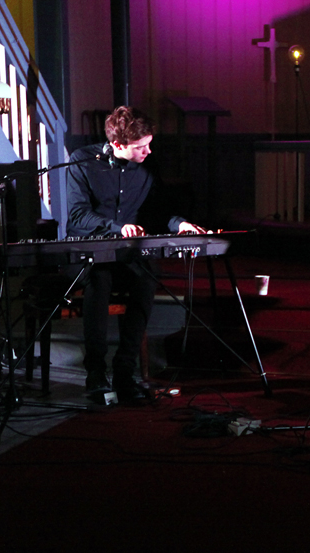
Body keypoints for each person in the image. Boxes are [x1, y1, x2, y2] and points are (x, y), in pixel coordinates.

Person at [66, 106, 207, 404]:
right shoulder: (83, 161)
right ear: (118, 145)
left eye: (149, 144)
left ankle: (124, 370)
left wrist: (179, 223)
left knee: (147, 277)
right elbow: (77, 217)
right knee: (99, 280)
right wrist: (117, 227)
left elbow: (159, 210)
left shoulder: (146, 169)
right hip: (91, 252)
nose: (148, 151)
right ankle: (95, 373)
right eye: (141, 147)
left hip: (127, 255)